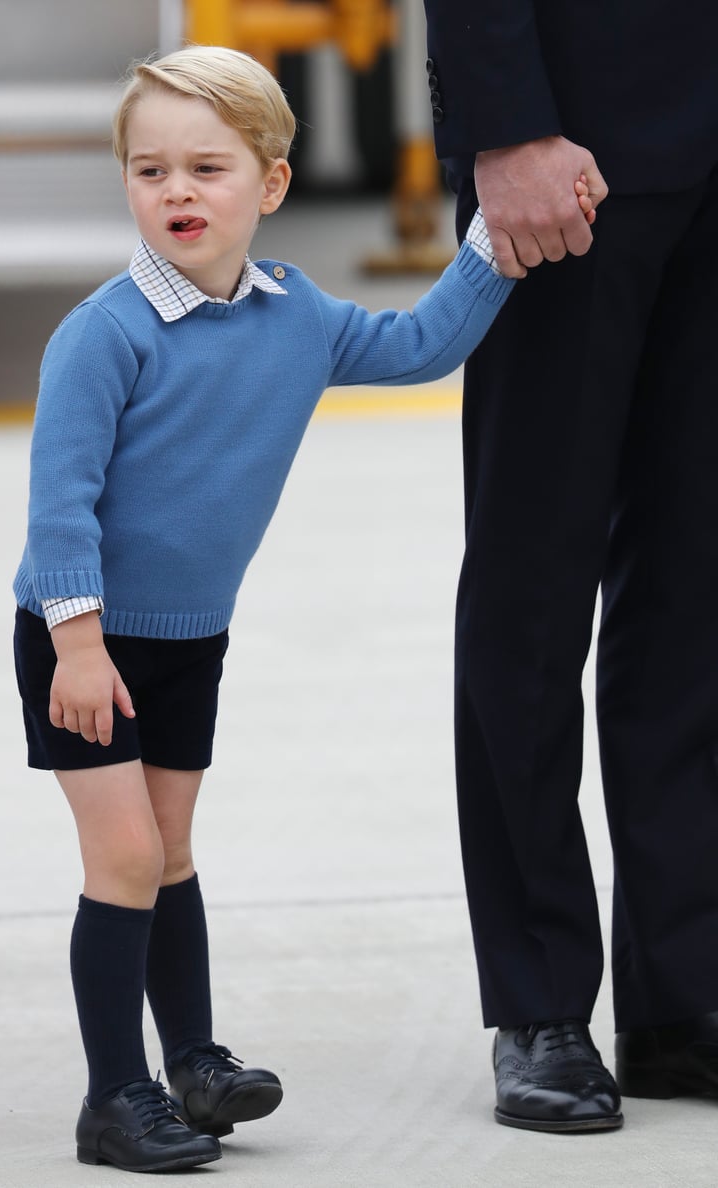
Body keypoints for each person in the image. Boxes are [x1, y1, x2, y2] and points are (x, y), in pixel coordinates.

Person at [13, 43, 591, 1174]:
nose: (176, 191)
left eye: (207, 168)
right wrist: (75, 646)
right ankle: (112, 1096)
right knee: (125, 858)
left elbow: (422, 346)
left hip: (189, 641)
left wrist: (495, 240)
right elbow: (59, 505)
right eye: (149, 171)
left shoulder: (297, 316)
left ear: (271, 183)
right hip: (82, 642)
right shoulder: (106, 333)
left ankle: (193, 1062)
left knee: (171, 850)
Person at [423, 0, 718, 1136]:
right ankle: (541, 1000)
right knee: (533, 586)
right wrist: (505, 124)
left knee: (697, 589)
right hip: (575, 142)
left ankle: (685, 990)